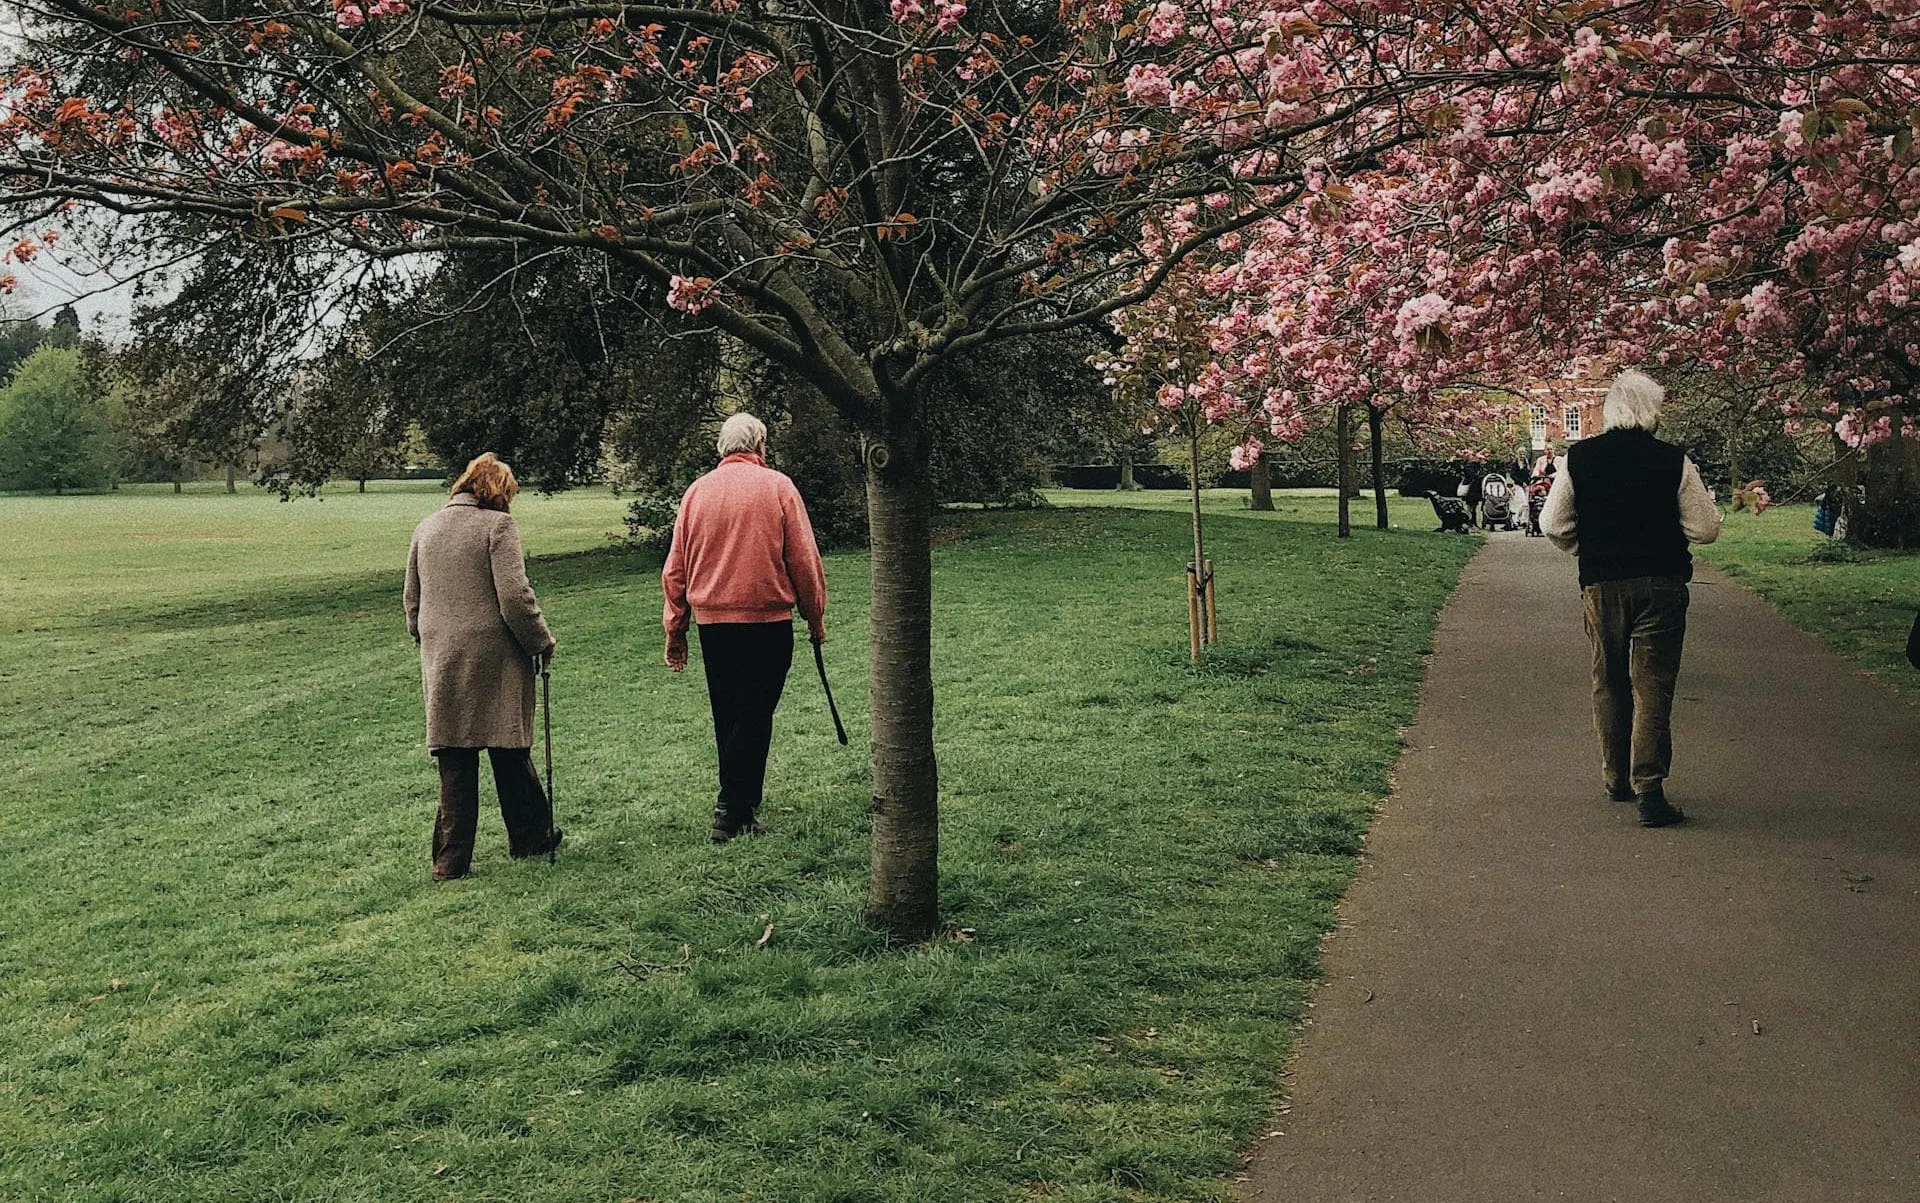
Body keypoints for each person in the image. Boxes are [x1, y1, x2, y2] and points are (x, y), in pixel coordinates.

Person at [1540, 370, 1721, 827]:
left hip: (1603, 585)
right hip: (1661, 584)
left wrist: (1590, 549)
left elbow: (1553, 524)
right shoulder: (1673, 461)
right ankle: (1650, 788)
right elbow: (1705, 528)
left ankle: (1615, 776)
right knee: (1653, 684)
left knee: (1610, 679)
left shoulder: (1579, 459)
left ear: (1611, 410)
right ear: (1652, 411)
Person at [662, 413, 827, 842]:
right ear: (761, 445)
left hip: (713, 625)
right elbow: (803, 561)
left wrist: (675, 628)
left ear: (723, 447)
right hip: (767, 622)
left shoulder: (696, 492)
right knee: (755, 714)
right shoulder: (778, 487)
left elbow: (676, 569)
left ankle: (738, 804)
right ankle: (732, 806)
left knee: (729, 713)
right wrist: (815, 614)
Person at [404, 453, 560, 879]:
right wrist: (541, 640)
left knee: (454, 754)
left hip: (442, 657)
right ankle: (530, 837)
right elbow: (515, 597)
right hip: (494, 656)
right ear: (498, 491)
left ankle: (450, 861)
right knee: (508, 746)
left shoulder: (427, 526)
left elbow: (411, 602)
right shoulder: (498, 527)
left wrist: (430, 640)